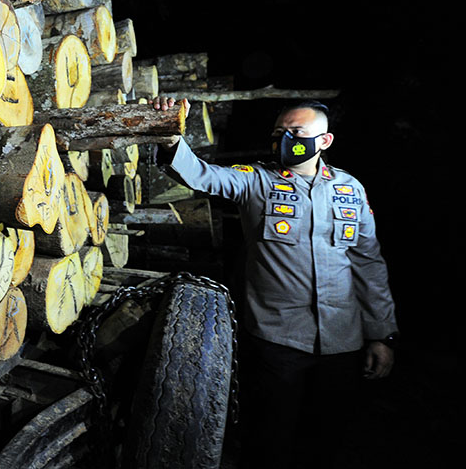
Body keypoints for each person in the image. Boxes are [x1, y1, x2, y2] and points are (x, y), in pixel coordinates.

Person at [153, 96, 398, 469]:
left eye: (296, 132)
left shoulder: (350, 189)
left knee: (325, 439)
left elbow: (369, 265)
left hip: (342, 343)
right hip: (276, 342)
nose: (285, 139)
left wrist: (381, 335)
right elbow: (203, 175)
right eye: (279, 132)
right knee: (268, 439)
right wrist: (170, 139)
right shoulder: (256, 182)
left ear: (325, 141)